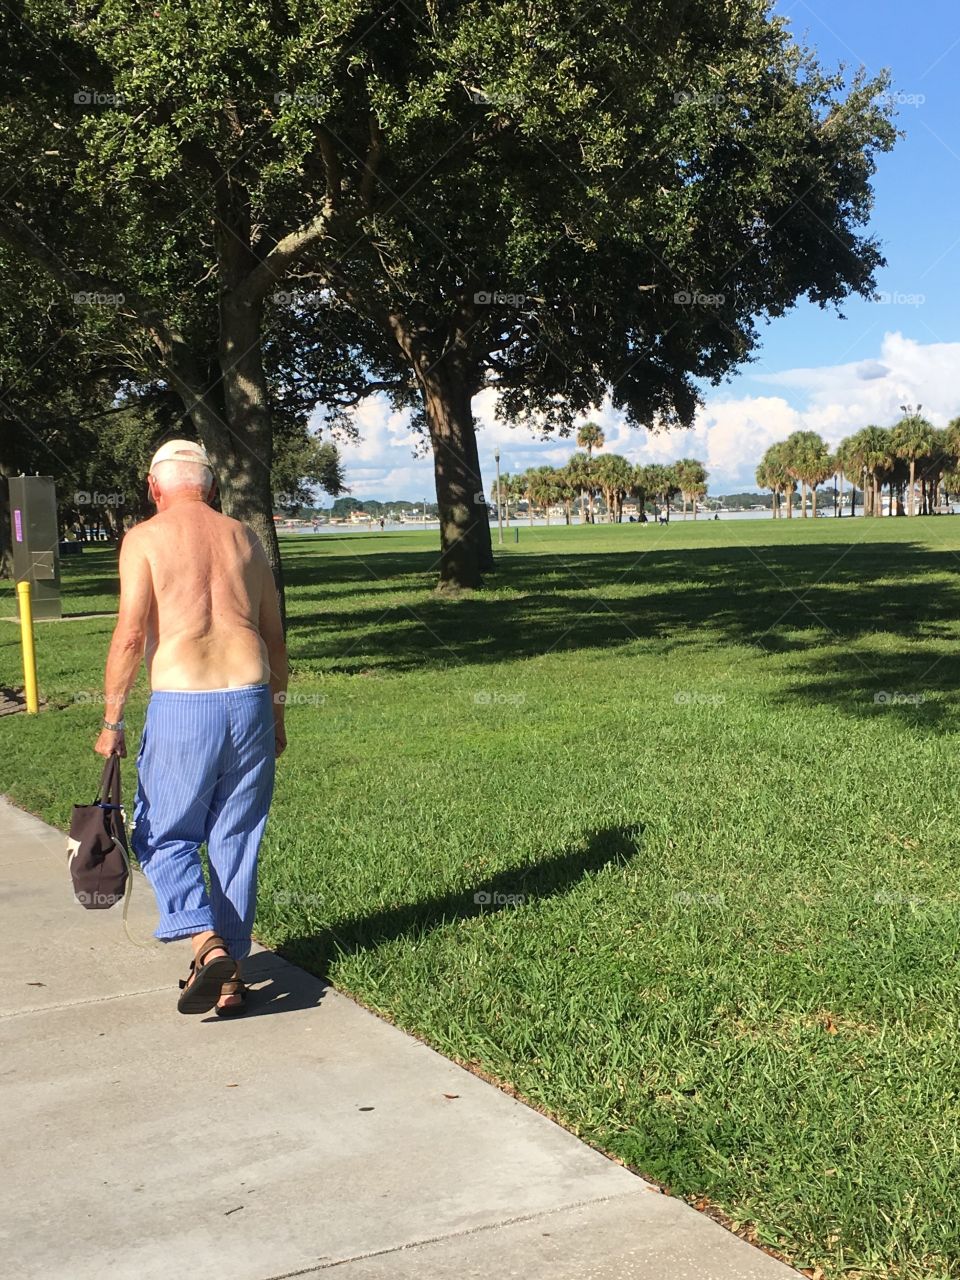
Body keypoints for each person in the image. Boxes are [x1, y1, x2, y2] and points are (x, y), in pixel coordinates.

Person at [94, 439, 288, 1017]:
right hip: (250, 696)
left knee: (159, 832)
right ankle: (232, 980)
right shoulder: (244, 537)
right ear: (209, 486)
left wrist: (112, 720)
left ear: (155, 487)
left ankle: (206, 945)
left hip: (185, 700)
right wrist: (276, 716)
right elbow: (275, 635)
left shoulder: (145, 539)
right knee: (237, 837)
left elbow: (130, 635)